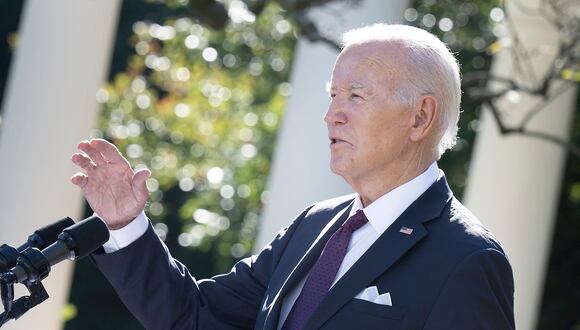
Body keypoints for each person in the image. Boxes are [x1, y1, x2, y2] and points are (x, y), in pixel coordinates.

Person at [71, 24, 514, 329]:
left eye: (356, 96)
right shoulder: (314, 225)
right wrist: (126, 225)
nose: (330, 116)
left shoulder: (467, 260)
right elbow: (194, 318)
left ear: (420, 117)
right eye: (333, 95)